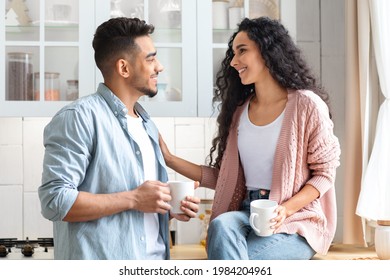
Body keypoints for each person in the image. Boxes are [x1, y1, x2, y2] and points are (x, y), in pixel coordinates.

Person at [159, 17, 341, 260]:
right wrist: (169, 159)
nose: (233, 62)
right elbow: (225, 178)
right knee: (221, 225)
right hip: (247, 212)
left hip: (296, 221)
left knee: (238, 262)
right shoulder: (239, 112)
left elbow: (324, 175)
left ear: (268, 51)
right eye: (233, 53)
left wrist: (284, 210)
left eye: (242, 51)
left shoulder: (306, 105)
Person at [38, 17, 200, 260]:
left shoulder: (147, 124)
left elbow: (135, 211)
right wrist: (134, 199)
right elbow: (54, 201)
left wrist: (167, 208)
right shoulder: (79, 118)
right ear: (124, 68)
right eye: (151, 58)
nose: (160, 67)